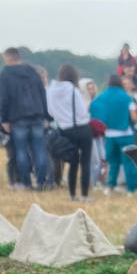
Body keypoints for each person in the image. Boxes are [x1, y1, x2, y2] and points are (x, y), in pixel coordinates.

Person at [0, 47, 51, 189]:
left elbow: (3, 99)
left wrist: (4, 119)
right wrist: (45, 115)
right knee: (39, 149)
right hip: (37, 115)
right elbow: (42, 94)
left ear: (7, 58)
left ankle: (26, 182)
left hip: (17, 118)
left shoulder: (5, 75)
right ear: (19, 57)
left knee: (21, 151)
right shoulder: (32, 72)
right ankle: (41, 181)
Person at [47, 63, 94, 200]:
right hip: (82, 128)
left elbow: (50, 111)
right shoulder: (74, 91)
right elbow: (82, 111)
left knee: (73, 162)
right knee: (85, 162)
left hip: (65, 129)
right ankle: (84, 194)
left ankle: (72, 194)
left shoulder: (51, 90)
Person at [90, 74, 137, 194]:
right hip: (125, 134)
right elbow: (134, 118)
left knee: (112, 162)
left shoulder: (102, 97)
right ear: (120, 83)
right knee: (128, 161)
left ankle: (110, 186)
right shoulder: (127, 97)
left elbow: (92, 108)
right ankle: (131, 189)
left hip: (109, 135)